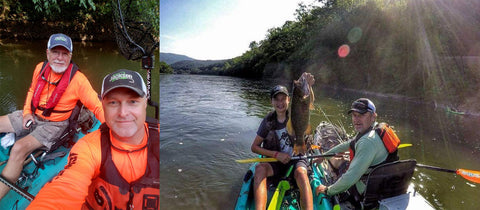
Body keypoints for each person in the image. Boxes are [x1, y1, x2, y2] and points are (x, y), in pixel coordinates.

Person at [28, 69, 159, 209]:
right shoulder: (89, 148)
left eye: (133, 101)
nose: (123, 113)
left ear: (145, 102)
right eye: (113, 103)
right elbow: (65, 187)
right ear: (103, 105)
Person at [0, 33, 105, 201]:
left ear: (70, 56)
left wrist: (111, 131)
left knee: (19, 148)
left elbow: (98, 106)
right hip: (33, 115)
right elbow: (32, 91)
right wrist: (27, 112)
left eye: (65, 53)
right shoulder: (39, 68)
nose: (59, 58)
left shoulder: (78, 80)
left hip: (54, 125)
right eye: (55, 52)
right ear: (47, 53)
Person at [251, 72, 315, 210]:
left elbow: (307, 101)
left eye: (283, 99)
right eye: (276, 99)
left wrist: (308, 85)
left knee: (302, 175)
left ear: (289, 100)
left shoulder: (295, 112)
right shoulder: (267, 121)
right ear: (272, 102)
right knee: (259, 169)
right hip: (276, 162)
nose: (280, 103)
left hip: (297, 159)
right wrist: (276, 154)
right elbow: (254, 147)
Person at [315, 98, 392, 204]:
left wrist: (328, 190)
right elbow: (349, 143)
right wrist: (325, 156)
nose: (356, 119)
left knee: (341, 167)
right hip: (383, 182)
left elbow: (351, 178)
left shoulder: (367, 141)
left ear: (373, 116)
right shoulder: (375, 129)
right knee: (343, 160)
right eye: (354, 115)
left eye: (362, 115)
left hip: (367, 191)